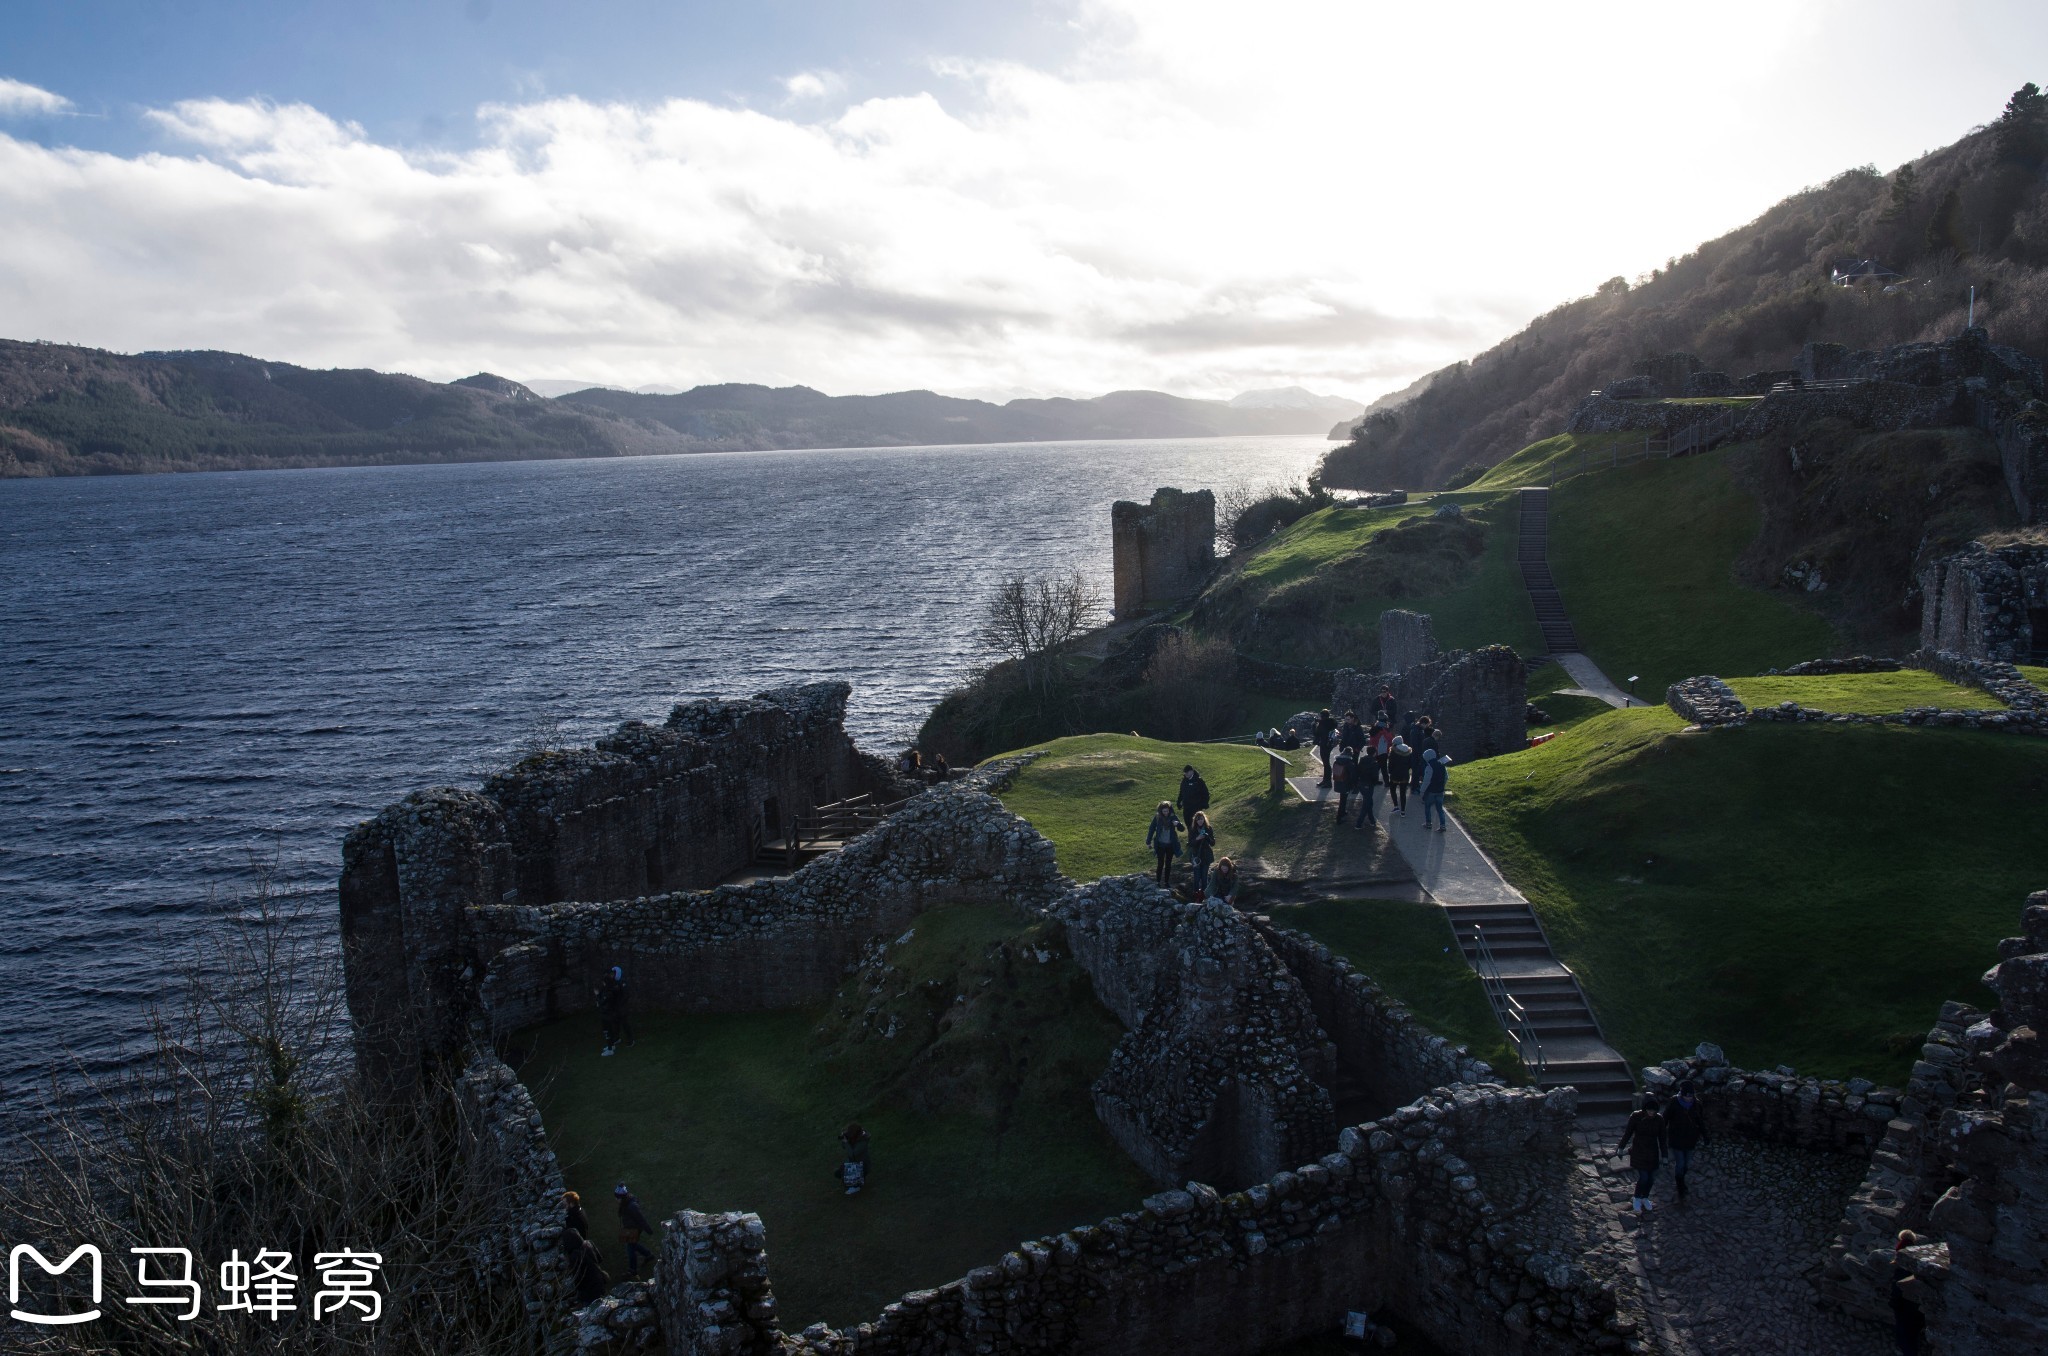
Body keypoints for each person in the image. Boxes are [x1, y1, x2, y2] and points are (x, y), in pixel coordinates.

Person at [1618, 1095, 1667, 1214]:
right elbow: (1628, 1133)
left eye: (1653, 1110)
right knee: (1644, 1177)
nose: (1651, 1112)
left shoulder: (1659, 1119)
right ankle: (1637, 1198)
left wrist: (1664, 1155)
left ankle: (1645, 1197)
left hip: (1652, 1153)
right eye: (1649, 1110)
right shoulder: (1636, 1116)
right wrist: (1621, 1147)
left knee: (1651, 1178)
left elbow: (1662, 1139)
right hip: (1639, 1151)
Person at [1664, 1079, 1708, 1199]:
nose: (1689, 1098)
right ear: (1682, 1094)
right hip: (1676, 1139)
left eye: (1691, 1096)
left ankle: (1682, 1180)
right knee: (1680, 1164)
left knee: (1687, 1164)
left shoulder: (1697, 1104)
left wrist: (1705, 1135)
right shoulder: (1673, 1102)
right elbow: (1665, 1118)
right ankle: (1680, 1186)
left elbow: (1700, 1120)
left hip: (1690, 1140)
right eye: (1687, 1096)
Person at [1890, 1230, 1926, 1356]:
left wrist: (1894, 1302)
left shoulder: (1902, 1254)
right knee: (1913, 1330)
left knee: (1904, 1331)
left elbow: (1898, 1284)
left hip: (1904, 1303)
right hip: (1918, 1303)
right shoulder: (1918, 1254)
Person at [614, 1183, 655, 1279]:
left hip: (633, 1229)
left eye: (617, 1198)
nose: (616, 1200)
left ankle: (633, 1270)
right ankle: (648, 1255)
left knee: (630, 1249)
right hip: (629, 1228)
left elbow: (641, 1219)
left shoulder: (631, 1206)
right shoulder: (626, 1203)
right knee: (632, 1245)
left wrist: (648, 1230)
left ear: (621, 1197)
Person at [597, 966, 634, 1056]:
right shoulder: (614, 983)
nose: (611, 975)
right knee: (615, 1023)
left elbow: (625, 995)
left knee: (625, 1024)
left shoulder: (622, 982)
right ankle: (616, 1038)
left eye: (613, 974)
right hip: (615, 1008)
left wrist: (620, 1004)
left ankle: (631, 1040)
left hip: (621, 1008)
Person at [1145, 801, 1183, 886]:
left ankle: (1166, 882)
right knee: (1160, 863)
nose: (1166, 813)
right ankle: (1158, 881)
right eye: (1164, 811)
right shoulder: (1157, 818)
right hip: (1160, 845)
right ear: (1161, 811)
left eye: (1167, 811)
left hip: (1170, 845)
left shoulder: (1173, 817)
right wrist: (1148, 841)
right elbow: (1151, 829)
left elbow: (1182, 829)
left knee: (1168, 864)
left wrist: (1178, 824)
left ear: (1169, 810)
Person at [570, 1234, 610, 1305]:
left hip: (589, 1290)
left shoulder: (575, 1255)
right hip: (599, 1280)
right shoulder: (588, 1243)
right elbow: (599, 1259)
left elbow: (578, 1279)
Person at [1418, 750, 1452, 832]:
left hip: (1431, 791)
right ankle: (1443, 825)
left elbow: (1426, 781)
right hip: (1440, 791)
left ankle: (1428, 823)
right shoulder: (1442, 764)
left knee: (1427, 807)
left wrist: (1421, 792)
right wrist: (1442, 785)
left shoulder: (1429, 767)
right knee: (1440, 809)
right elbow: (1446, 777)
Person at [1352, 741, 1380, 829]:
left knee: (1369, 802)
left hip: (1361, 783)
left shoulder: (1362, 760)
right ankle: (1359, 824)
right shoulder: (1375, 763)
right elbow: (1375, 776)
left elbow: (1358, 770)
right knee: (1366, 804)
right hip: (1369, 784)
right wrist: (1374, 783)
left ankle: (1372, 820)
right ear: (1374, 753)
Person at [836, 1122, 871, 1196]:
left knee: (846, 1174)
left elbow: (853, 1154)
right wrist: (845, 1140)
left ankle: (855, 1186)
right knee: (839, 1172)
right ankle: (854, 1182)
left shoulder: (862, 1142)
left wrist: (846, 1143)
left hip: (862, 1166)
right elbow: (844, 1147)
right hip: (854, 1163)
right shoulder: (854, 1139)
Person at [1187, 810, 1216, 894]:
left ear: (1204, 819)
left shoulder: (1208, 828)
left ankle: (1204, 895)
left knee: (1204, 877)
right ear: (1195, 820)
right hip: (1196, 856)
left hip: (1206, 855)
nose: (1200, 821)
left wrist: (1207, 837)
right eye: (1198, 819)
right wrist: (1197, 838)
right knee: (1196, 877)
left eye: (1202, 819)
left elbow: (1213, 843)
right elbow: (1190, 844)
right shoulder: (1192, 830)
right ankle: (1196, 895)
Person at [1331, 743, 1359, 826]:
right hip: (1346, 784)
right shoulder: (1349, 763)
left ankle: (1343, 812)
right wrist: (1355, 785)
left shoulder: (1337, 761)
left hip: (1338, 782)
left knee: (1342, 799)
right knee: (1343, 801)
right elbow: (1353, 775)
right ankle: (1339, 818)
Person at [1385, 739, 1414, 815]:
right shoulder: (1408, 751)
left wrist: (1390, 772)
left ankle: (1396, 806)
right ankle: (1403, 811)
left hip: (1395, 774)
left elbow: (1390, 764)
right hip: (1405, 774)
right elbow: (1411, 764)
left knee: (1393, 790)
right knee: (1403, 793)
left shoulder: (1393, 751)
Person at [1313, 709, 1338, 787]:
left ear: (1322, 716)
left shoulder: (1322, 723)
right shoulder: (1332, 722)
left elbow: (1316, 733)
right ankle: (1326, 780)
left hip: (1324, 744)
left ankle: (1327, 781)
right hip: (1329, 744)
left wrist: (1314, 725)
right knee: (1327, 763)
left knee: (1326, 764)